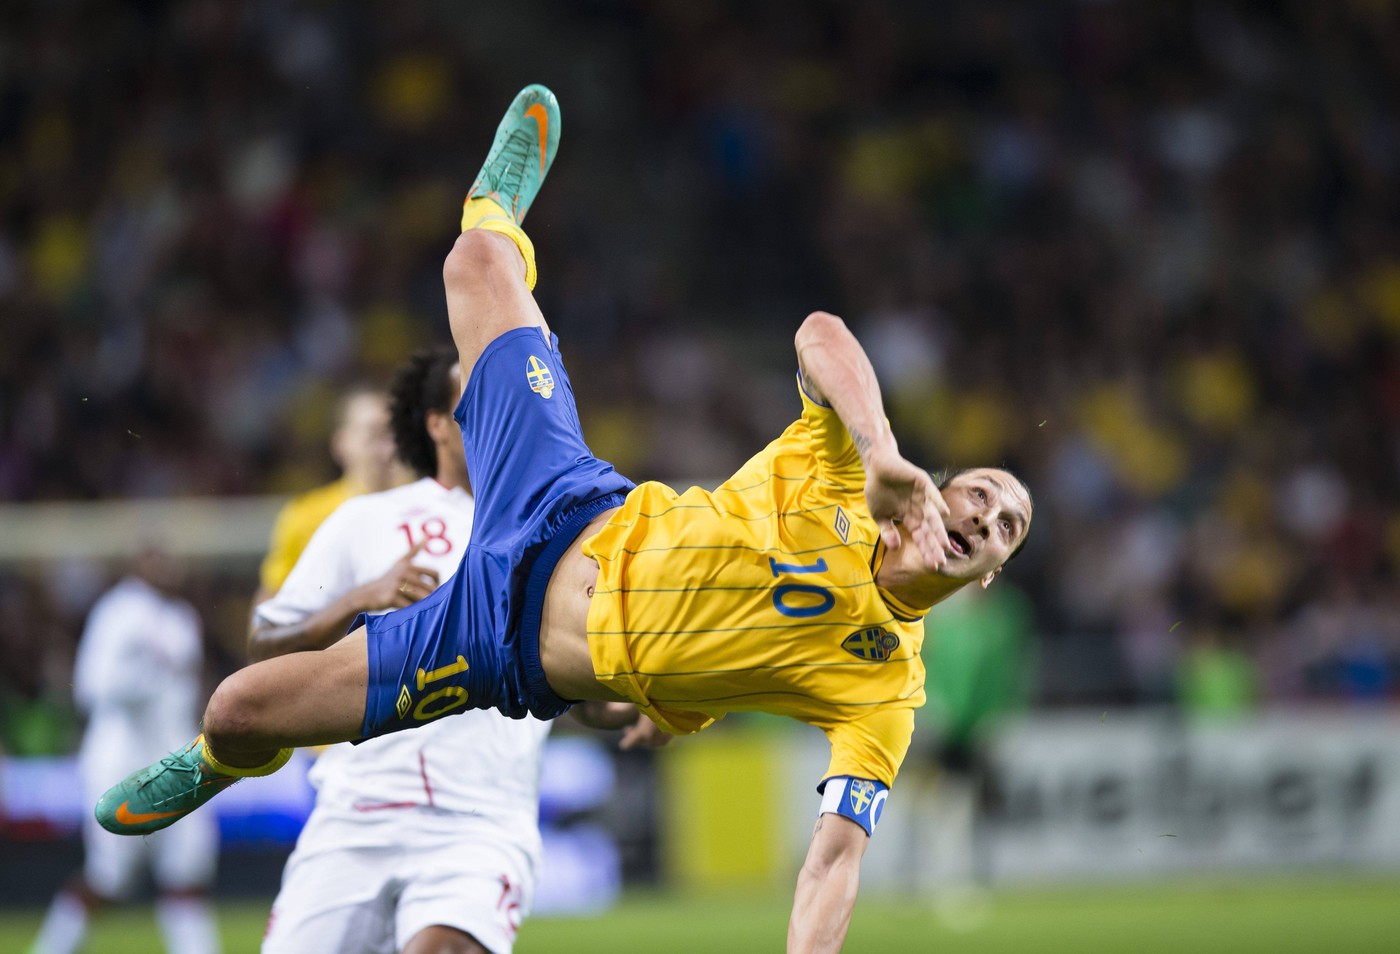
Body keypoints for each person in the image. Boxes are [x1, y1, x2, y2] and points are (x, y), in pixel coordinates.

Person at [97, 85, 1033, 953]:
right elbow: (820, 330)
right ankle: (498, 209)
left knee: (238, 706)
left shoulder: (885, 695)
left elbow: (834, 860)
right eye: (983, 491)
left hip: (495, 647)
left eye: (1007, 526)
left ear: (986, 571)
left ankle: (224, 754)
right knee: (472, 260)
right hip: (568, 498)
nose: (988, 512)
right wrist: (877, 450)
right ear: (943, 491)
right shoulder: (850, 470)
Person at [254, 347, 639, 954]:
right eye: (476, 400)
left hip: (481, 818)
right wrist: (360, 597)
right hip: (355, 810)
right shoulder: (365, 522)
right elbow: (265, 642)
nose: (495, 412)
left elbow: (571, 683)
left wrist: (631, 706)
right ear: (437, 422)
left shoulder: (558, 526)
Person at [31, 549, 219, 954]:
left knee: (187, 870)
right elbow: (89, 686)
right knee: (109, 876)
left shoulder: (182, 615)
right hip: (121, 756)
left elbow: (188, 687)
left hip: (176, 755)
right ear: (139, 564)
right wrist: (143, 678)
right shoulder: (117, 610)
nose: (169, 567)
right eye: (157, 559)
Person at [253, 384, 400, 606]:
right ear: (342, 443)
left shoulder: (424, 509)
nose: (388, 449)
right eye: (374, 436)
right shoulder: (307, 516)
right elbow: (271, 601)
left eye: (393, 434)